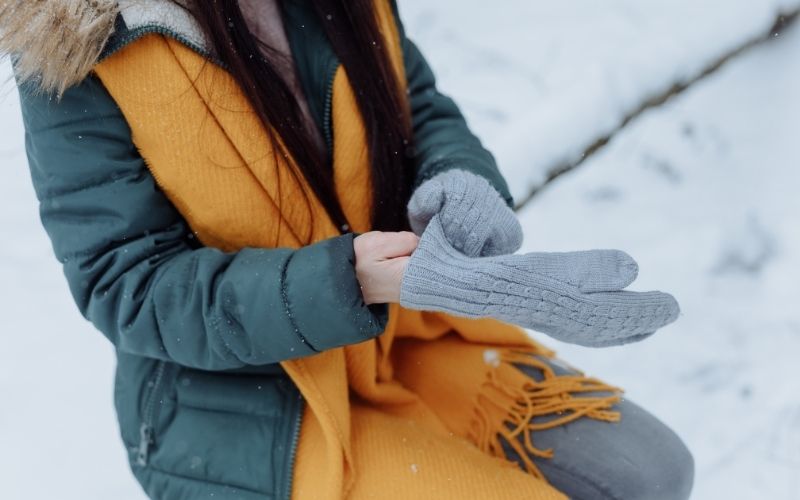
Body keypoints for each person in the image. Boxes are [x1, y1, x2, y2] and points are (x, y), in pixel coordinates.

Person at [2, 0, 694, 498]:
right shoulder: (77, 43)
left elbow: (416, 102)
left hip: (410, 332)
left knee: (652, 470)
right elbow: (131, 286)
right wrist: (346, 280)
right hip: (247, 407)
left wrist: (457, 182)